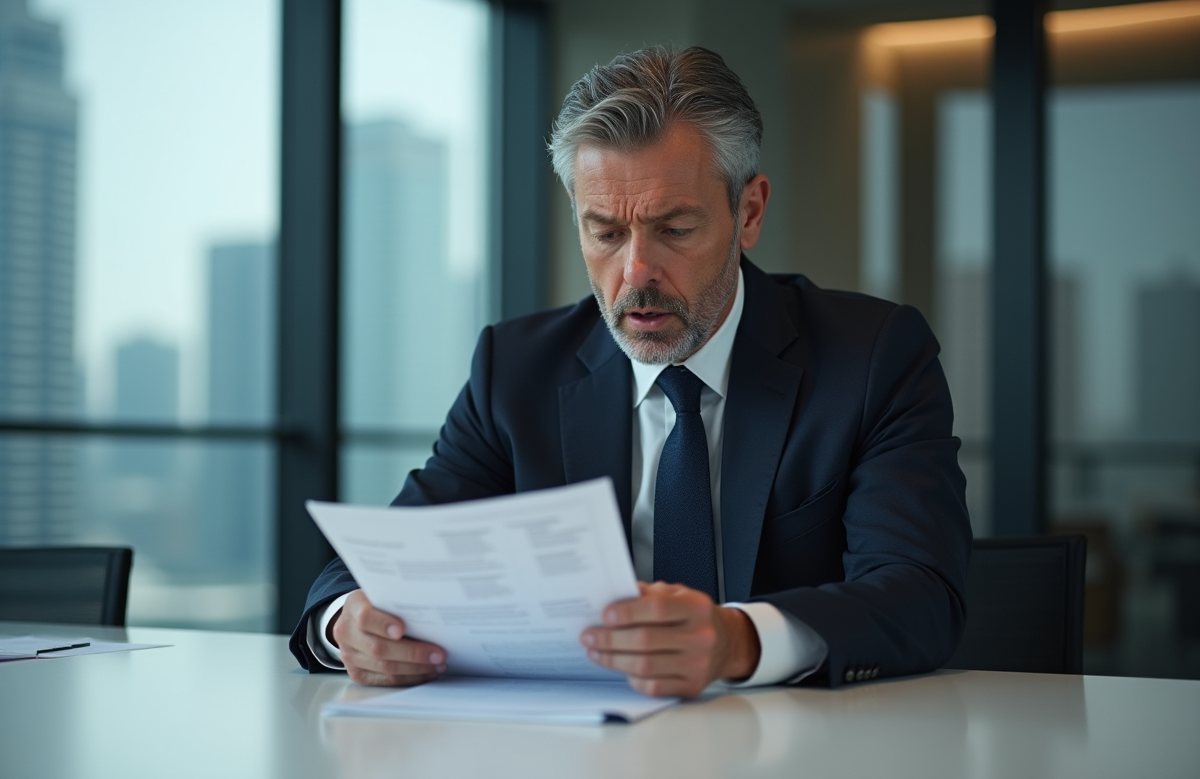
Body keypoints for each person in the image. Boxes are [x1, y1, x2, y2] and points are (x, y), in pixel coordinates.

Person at [289, 45, 971, 698]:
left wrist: (736, 641)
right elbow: (389, 559)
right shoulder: (517, 368)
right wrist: (348, 620)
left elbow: (920, 593)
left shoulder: (873, 355)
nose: (635, 273)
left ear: (749, 212)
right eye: (606, 232)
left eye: (675, 229)